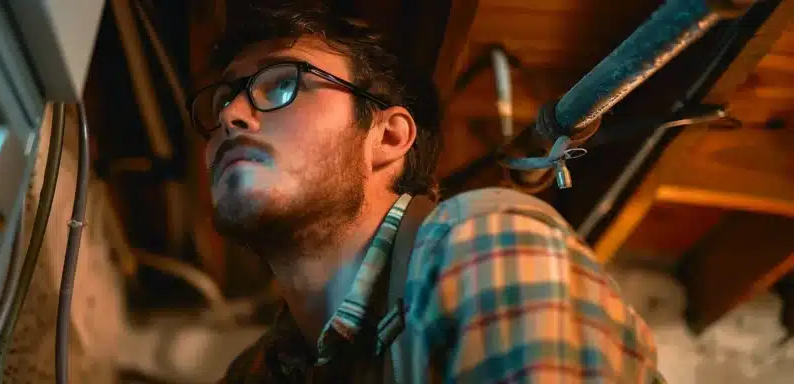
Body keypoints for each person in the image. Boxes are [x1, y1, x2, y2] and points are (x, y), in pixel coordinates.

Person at [190, 3, 663, 383]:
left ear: (389, 138)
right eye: (221, 101)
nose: (232, 115)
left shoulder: (482, 245)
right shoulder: (256, 371)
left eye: (280, 85)